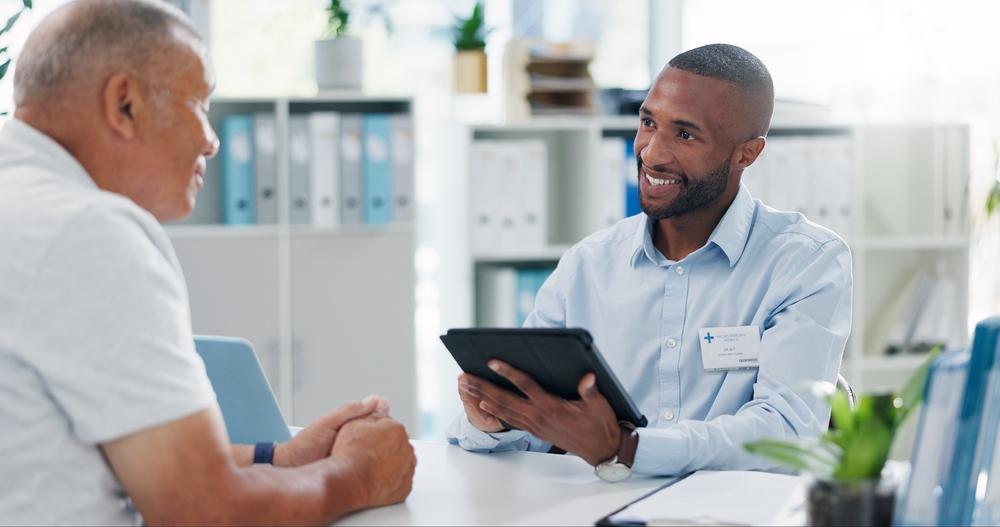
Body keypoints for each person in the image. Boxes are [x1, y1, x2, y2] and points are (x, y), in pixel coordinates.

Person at [0, 0, 415, 524]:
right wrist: (357, 475)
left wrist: (281, 459)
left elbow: (115, 456)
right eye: (199, 105)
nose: (212, 141)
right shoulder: (88, 232)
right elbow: (203, 511)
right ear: (124, 104)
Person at [448, 44, 853, 480]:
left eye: (685, 135)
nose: (651, 153)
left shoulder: (805, 262)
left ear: (746, 154)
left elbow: (787, 431)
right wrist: (498, 421)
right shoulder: (588, 265)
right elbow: (535, 427)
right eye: (647, 123)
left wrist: (628, 448)